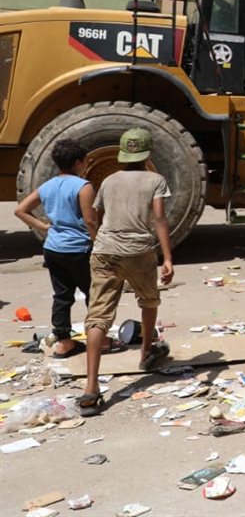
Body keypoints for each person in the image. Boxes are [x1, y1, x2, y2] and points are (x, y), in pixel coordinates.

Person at [79, 128, 174, 416]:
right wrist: (167, 258)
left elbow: (96, 217)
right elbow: (158, 217)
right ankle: (146, 353)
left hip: (105, 249)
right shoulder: (155, 180)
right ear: (147, 154)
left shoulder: (108, 180)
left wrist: (101, 244)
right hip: (138, 250)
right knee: (148, 300)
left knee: (98, 316)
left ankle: (91, 388)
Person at [13, 139, 98, 359]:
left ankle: (63, 342)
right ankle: (100, 339)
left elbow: (21, 210)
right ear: (78, 162)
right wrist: (98, 243)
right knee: (94, 294)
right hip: (79, 248)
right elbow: (90, 220)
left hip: (53, 248)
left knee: (62, 296)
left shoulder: (48, 185)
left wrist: (43, 226)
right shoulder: (83, 186)